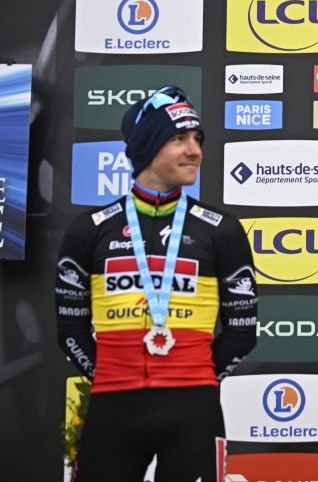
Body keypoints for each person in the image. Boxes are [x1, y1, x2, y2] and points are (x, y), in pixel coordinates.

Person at [55, 86, 258, 482]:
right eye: (178, 138)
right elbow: (70, 331)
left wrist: (194, 376)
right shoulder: (88, 231)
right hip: (112, 409)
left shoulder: (222, 231)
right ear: (147, 147)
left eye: (197, 139)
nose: (194, 150)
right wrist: (113, 373)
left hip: (193, 410)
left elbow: (242, 333)